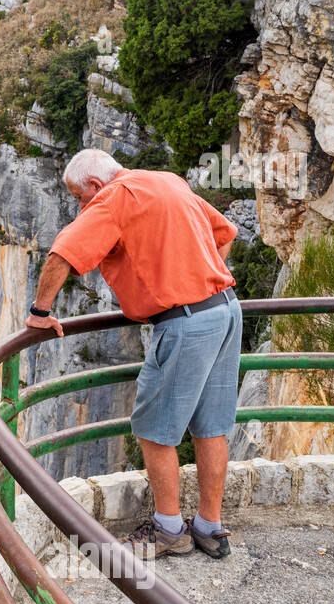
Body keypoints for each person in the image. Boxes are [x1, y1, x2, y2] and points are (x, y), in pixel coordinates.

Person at [25, 148, 242, 559]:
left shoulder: (114, 196)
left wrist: (39, 313)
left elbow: (63, 253)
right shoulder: (167, 180)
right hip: (225, 309)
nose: (79, 206)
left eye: (77, 197)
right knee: (211, 427)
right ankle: (210, 528)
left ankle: (168, 530)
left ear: (94, 184)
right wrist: (192, 272)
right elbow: (225, 233)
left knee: (153, 429)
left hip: (186, 321)